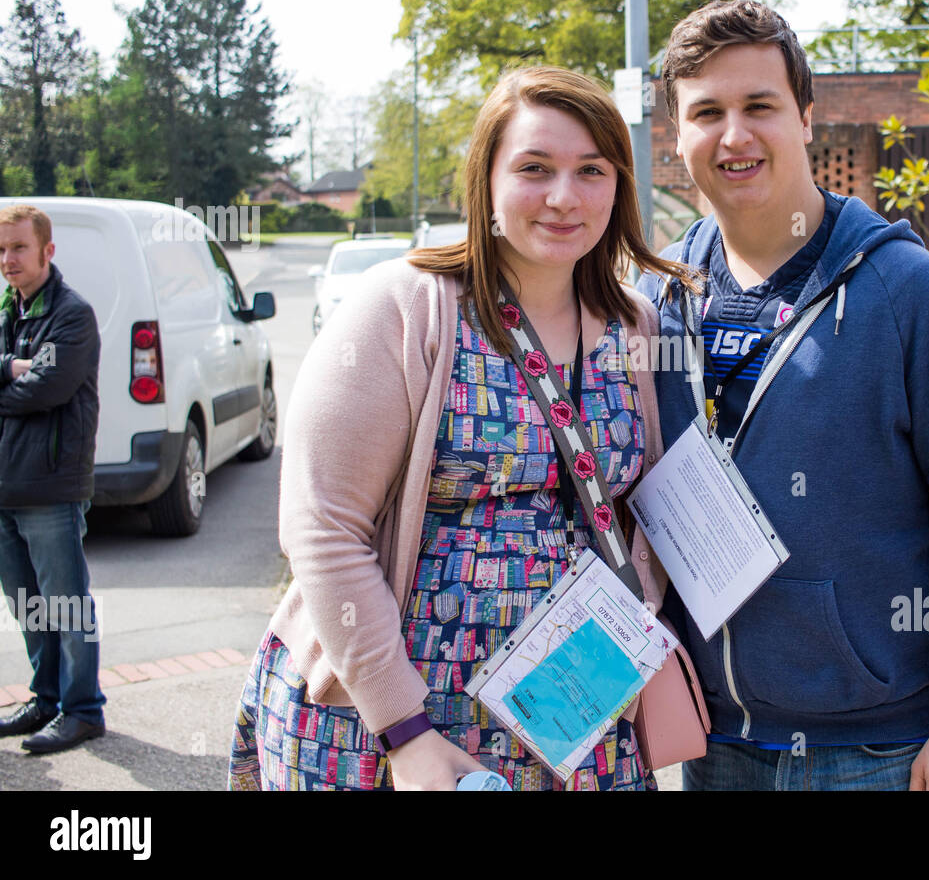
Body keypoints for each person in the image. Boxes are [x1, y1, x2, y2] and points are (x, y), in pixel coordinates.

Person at [228, 66, 696, 791]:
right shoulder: (404, 308)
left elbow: (643, 514)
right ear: (486, 181)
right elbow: (322, 527)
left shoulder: (635, 323)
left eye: (591, 171)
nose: (564, 196)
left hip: (572, 723)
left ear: (619, 185)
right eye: (534, 169)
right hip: (386, 728)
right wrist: (405, 731)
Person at [635, 0, 929, 791]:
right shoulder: (657, 298)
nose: (735, 135)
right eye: (706, 112)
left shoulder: (909, 292)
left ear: (808, 117)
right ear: (677, 140)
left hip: (874, 753)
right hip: (713, 743)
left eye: (760, 106)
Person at [0, 203, 106, 754]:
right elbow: (19, 383)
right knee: (27, 604)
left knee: (65, 605)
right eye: (0, 249)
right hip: (4, 486)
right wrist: (7, 371)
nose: (8, 259)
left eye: (18, 247)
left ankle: (82, 709)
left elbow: (47, 388)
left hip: (49, 486)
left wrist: (18, 380)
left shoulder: (72, 314)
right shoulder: (5, 311)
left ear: (47, 250)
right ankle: (44, 700)